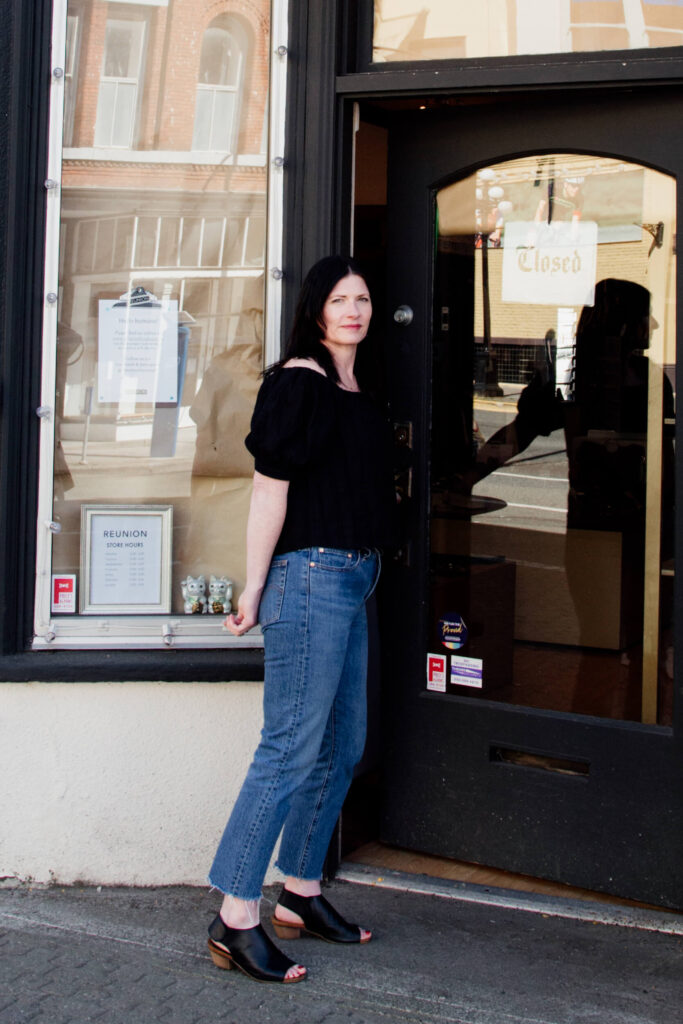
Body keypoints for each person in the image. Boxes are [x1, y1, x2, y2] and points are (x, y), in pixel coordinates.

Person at [206, 255, 396, 984]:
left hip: (354, 575)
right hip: (309, 577)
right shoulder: (298, 383)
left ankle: (302, 893)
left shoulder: (355, 386)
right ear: (315, 309)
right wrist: (254, 587)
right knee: (288, 747)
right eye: (339, 299)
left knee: (341, 743)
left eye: (363, 297)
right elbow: (266, 492)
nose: (353, 309)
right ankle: (233, 918)